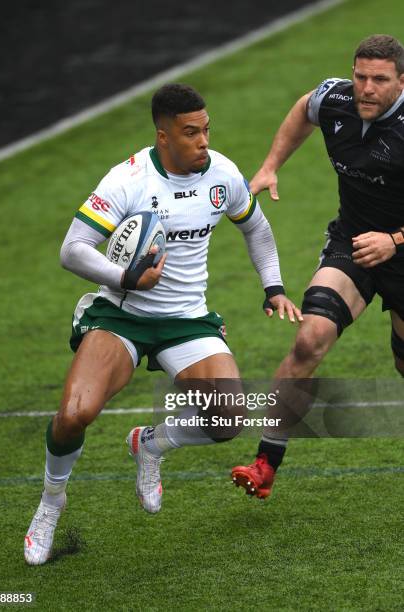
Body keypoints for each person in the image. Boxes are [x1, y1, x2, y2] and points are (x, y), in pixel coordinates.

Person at [24, 83, 301, 565]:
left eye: (206, 129)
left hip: (187, 319)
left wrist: (273, 286)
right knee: (73, 415)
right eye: (190, 133)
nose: (203, 142)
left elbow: (255, 226)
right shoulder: (126, 181)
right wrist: (125, 276)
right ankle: (51, 504)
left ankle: (150, 443)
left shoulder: (223, 174)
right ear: (163, 136)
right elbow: (72, 248)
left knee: (228, 419)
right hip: (123, 314)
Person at [231, 34, 404, 499]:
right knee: (310, 339)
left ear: (401, 81)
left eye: (380, 80)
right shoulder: (337, 97)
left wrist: (395, 240)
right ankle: (266, 461)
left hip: (401, 249)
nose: (367, 88)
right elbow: (304, 109)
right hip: (353, 242)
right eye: (361, 76)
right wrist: (270, 165)